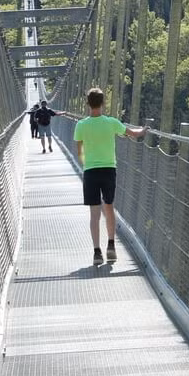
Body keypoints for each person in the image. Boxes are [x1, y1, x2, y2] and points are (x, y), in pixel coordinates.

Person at [73, 87, 145, 265]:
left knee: (94, 213)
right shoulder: (112, 122)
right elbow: (133, 134)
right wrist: (144, 130)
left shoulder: (81, 125)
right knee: (109, 207)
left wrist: (87, 164)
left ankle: (97, 252)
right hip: (109, 170)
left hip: (90, 171)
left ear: (87, 103)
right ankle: (111, 246)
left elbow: (79, 151)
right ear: (103, 103)